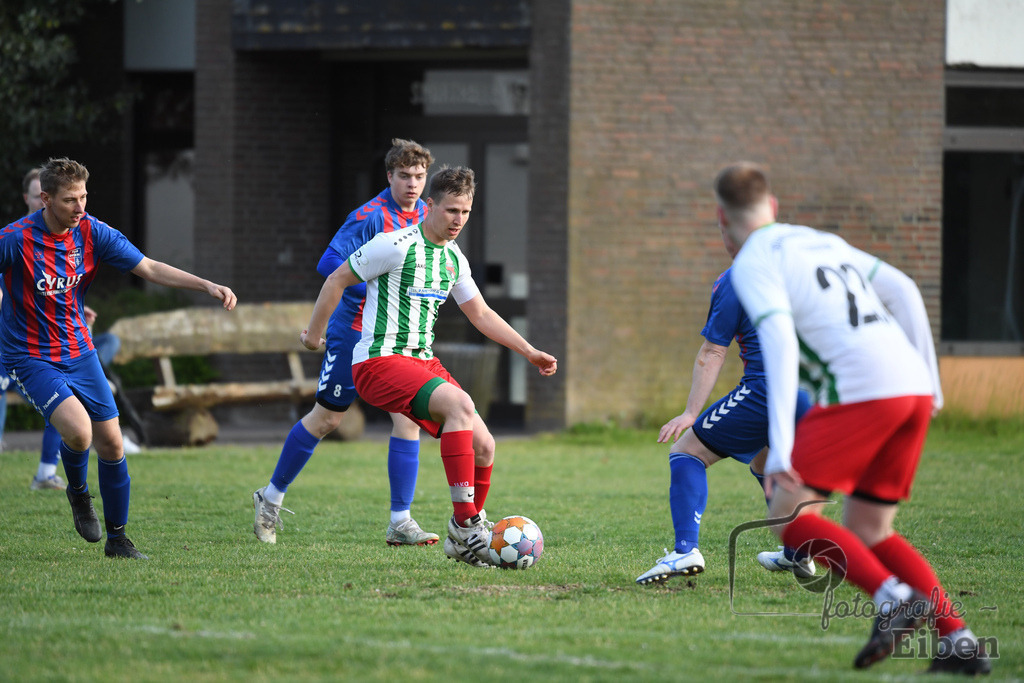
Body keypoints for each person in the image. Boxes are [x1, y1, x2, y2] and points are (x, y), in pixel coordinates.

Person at [718, 161, 991, 675]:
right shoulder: (819, 240)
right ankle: (959, 640)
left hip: (861, 392)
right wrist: (930, 383)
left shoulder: (751, 263)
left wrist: (779, 447)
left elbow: (777, 344)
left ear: (721, 219)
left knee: (788, 514)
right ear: (772, 207)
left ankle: (892, 597)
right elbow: (905, 289)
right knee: (869, 526)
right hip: (909, 386)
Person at [297, 165, 557, 567]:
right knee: (459, 405)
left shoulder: (453, 258)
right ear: (429, 204)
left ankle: (459, 537)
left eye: (466, 212)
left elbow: (482, 314)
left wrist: (529, 351)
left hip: (421, 362)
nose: (458, 220)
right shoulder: (394, 244)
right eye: (452, 210)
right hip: (377, 362)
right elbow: (335, 279)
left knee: (484, 446)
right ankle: (469, 526)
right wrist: (315, 335)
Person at [0, 157, 236, 559]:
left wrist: (206, 284)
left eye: (84, 197)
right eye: (71, 200)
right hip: (29, 355)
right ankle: (78, 493)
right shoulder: (15, 239)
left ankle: (118, 541)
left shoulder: (92, 232)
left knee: (112, 442)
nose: (80, 208)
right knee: (79, 432)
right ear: (45, 199)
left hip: (79, 349)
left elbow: (148, 266)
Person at [252, 139, 441, 546]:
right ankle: (270, 497)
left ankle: (400, 521)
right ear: (389, 176)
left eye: (419, 177)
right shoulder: (367, 217)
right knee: (328, 419)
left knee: (407, 418)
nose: (412, 184)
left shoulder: (429, 214)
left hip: (398, 335)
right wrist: (375, 274)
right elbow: (328, 265)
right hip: (355, 329)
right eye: (404, 176)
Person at [635, 260, 816, 585]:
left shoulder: (736, 278)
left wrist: (691, 413)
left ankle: (685, 550)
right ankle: (798, 552)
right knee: (766, 461)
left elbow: (713, 351)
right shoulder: (797, 271)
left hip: (767, 388)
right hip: (810, 392)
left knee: (687, 451)